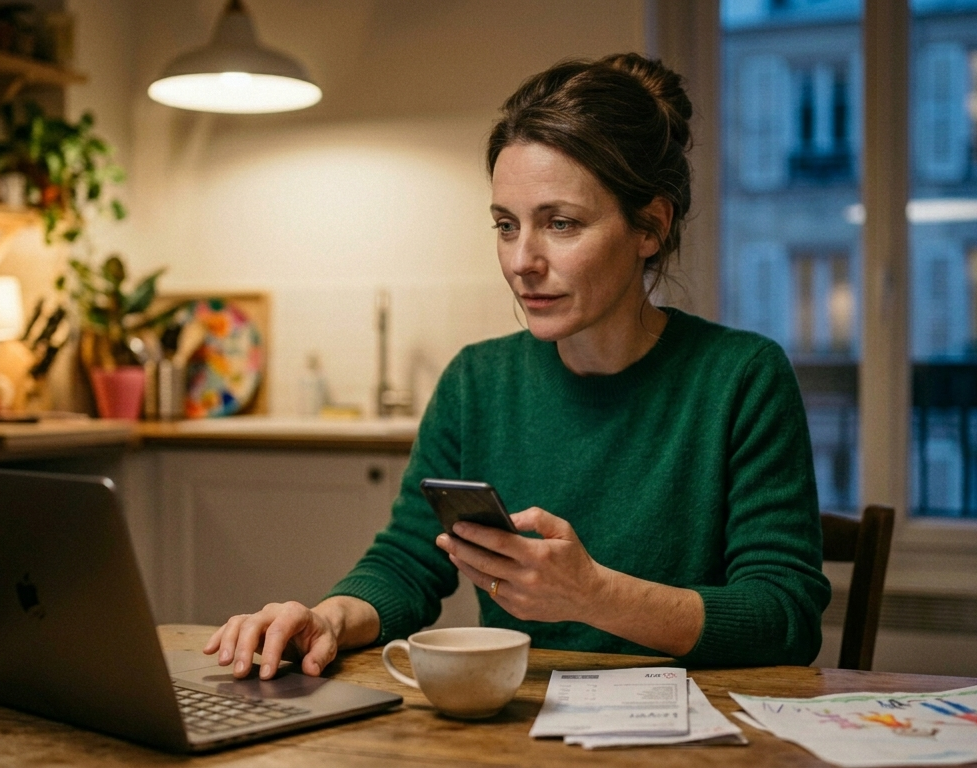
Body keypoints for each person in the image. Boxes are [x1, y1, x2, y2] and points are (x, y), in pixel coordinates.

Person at [205, 52, 831, 680]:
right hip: (521, 717)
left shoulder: (742, 378)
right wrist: (328, 618)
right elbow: (406, 563)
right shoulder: (476, 383)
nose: (522, 261)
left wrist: (593, 594)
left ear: (650, 226)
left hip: (694, 720)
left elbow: (785, 617)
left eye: (560, 223)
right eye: (506, 225)